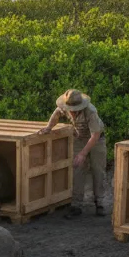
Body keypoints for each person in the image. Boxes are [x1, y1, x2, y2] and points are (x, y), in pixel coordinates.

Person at [38, 89, 107, 219]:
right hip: (79, 138)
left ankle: (100, 203)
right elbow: (56, 115)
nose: (73, 112)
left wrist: (83, 154)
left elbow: (95, 135)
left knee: (98, 170)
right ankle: (76, 204)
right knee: (76, 168)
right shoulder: (64, 107)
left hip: (96, 141)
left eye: (75, 109)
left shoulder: (90, 111)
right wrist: (48, 127)